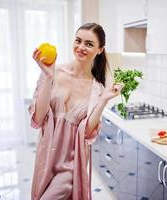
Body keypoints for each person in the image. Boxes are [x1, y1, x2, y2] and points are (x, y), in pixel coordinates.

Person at [29, 23, 123, 200]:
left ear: (100, 50)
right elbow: (39, 118)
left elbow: (87, 133)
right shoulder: (52, 71)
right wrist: (48, 77)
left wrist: (103, 100)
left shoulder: (97, 89)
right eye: (78, 41)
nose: (81, 47)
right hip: (46, 156)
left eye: (89, 44)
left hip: (72, 163)